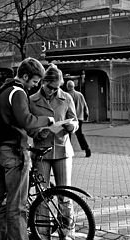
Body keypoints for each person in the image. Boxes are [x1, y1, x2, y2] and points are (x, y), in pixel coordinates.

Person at [0, 57, 55, 240]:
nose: (35, 86)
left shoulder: (3, 89)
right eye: (34, 81)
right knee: (17, 205)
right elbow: (26, 120)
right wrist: (48, 120)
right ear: (25, 76)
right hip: (14, 152)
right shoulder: (17, 92)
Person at [28, 63, 78, 239]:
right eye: (50, 87)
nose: (53, 91)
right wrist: (37, 132)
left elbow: (74, 119)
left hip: (63, 150)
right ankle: (43, 233)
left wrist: (72, 126)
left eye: (57, 88)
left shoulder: (66, 98)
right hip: (41, 151)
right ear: (43, 82)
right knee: (42, 195)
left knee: (65, 194)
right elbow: (29, 124)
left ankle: (67, 231)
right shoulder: (32, 99)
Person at [66, 80, 91, 157]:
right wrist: (86, 114)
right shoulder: (80, 95)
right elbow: (85, 105)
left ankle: (67, 150)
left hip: (70, 119)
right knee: (79, 134)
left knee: (68, 134)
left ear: (68, 87)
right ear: (73, 86)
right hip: (79, 118)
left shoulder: (67, 95)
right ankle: (87, 149)